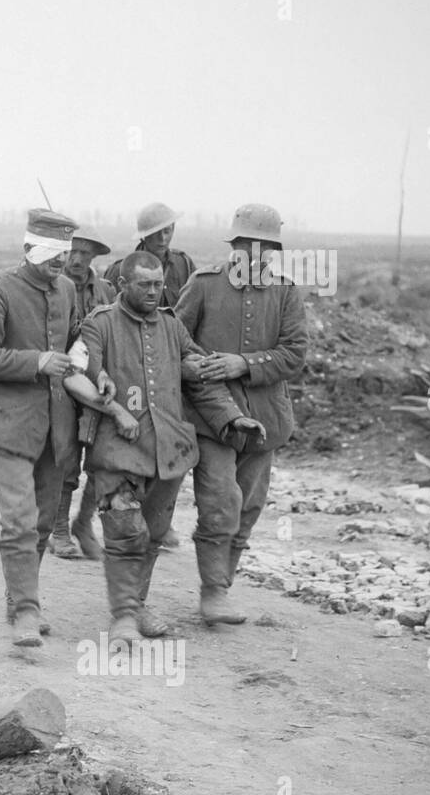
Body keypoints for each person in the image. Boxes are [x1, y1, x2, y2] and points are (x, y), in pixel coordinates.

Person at [63, 252, 262, 638]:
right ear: (123, 285)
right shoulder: (99, 324)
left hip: (168, 451)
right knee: (124, 530)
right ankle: (123, 617)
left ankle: (136, 606)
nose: (154, 292)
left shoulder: (172, 326)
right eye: (145, 285)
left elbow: (200, 375)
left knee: (152, 534)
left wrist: (233, 417)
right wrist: (114, 406)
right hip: (118, 448)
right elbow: (77, 371)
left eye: (159, 284)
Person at [174, 204, 307, 625]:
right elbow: (173, 340)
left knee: (248, 504)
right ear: (233, 245)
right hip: (211, 418)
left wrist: (244, 363)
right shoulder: (203, 284)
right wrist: (199, 367)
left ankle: (222, 587)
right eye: (247, 245)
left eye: (265, 247)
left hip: (265, 418)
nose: (255, 254)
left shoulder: (285, 291)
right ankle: (212, 591)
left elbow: (294, 354)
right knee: (219, 501)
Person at [0, 208, 81, 646]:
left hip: (54, 425)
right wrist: (36, 362)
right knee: (18, 519)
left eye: (65, 253)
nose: (60, 262)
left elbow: (72, 340)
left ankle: (17, 596)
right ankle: (28, 612)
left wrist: (89, 365)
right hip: (7, 423)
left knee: (44, 520)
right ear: (29, 248)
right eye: (52, 252)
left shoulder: (67, 289)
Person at [52, 225, 116, 561]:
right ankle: (58, 528)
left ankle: (83, 522)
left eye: (85, 254)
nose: (77, 259)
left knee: (103, 456)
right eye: (72, 252)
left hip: (95, 377)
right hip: (60, 378)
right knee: (65, 455)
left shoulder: (105, 290)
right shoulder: (52, 285)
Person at [104, 202, 196, 305]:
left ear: (173, 230)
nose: (162, 238)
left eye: (167, 231)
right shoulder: (120, 270)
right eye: (156, 233)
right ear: (144, 236)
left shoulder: (184, 264)